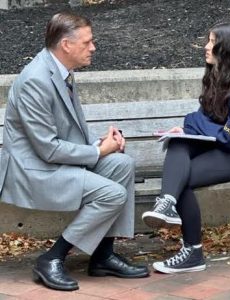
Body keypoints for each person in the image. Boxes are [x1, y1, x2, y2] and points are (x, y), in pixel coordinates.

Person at [0, 12, 149, 291]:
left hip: (52, 162)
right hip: (34, 171)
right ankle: (52, 258)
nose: (93, 48)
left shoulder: (61, 70)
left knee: (122, 164)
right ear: (66, 45)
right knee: (112, 193)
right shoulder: (36, 80)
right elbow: (47, 148)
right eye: (87, 42)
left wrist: (102, 144)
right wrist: (98, 151)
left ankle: (102, 256)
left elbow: (69, 132)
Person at [142, 20, 230, 274]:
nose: (206, 47)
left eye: (212, 42)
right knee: (177, 144)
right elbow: (210, 121)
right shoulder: (219, 78)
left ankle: (192, 252)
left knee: (182, 176)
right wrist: (188, 129)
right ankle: (167, 204)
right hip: (220, 148)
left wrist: (191, 122)